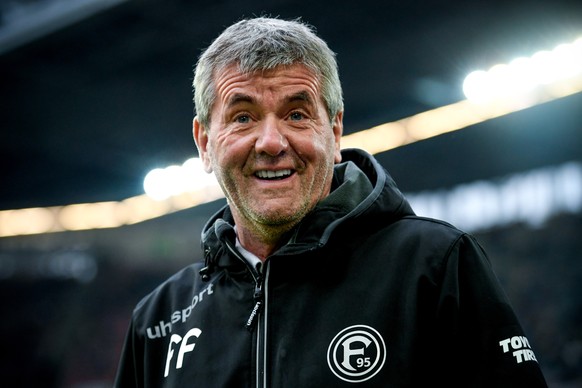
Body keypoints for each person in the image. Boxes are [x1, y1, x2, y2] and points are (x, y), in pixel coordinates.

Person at [114, 17, 548, 387]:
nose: (270, 142)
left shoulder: (435, 265)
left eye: (296, 114)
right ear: (205, 143)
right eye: (243, 117)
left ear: (335, 131)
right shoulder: (157, 319)